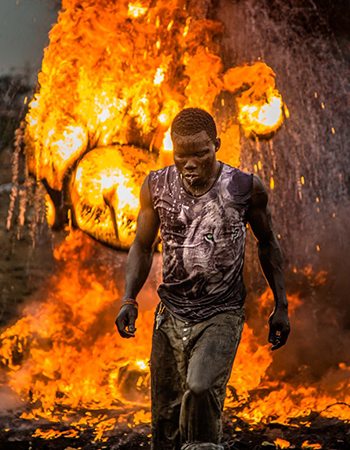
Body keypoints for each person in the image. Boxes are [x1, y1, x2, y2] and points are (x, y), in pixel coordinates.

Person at [115, 108, 290, 450]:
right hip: (170, 317)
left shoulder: (244, 187)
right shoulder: (156, 185)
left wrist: (280, 304)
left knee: (199, 388)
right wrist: (129, 299)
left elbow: (268, 243)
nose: (190, 162)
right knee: (166, 425)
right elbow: (141, 244)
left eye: (200, 153)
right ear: (173, 151)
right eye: (182, 155)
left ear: (217, 146)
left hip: (221, 313)